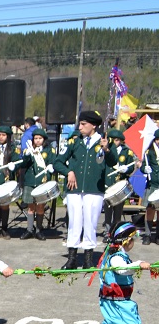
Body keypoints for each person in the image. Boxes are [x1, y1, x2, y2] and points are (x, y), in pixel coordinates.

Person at [54, 110, 114, 269]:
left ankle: (88, 259)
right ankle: (72, 258)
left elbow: (113, 162)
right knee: (74, 223)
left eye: (83, 124)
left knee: (90, 223)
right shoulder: (75, 142)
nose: (79, 127)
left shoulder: (104, 141)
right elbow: (58, 162)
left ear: (93, 125)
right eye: (79, 123)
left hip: (94, 189)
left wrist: (107, 149)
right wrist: (69, 172)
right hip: (74, 189)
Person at [96, 222, 151, 324]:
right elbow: (121, 269)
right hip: (115, 299)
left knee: (122, 322)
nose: (134, 242)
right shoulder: (116, 257)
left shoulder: (119, 254)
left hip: (120, 298)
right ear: (126, 241)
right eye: (133, 239)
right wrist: (138, 264)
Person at [18, 128, 55, 241]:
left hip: (42, 182)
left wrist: (51, 166)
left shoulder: (49, 151)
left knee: (40, 207)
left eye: (40, 138)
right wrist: (27, 156)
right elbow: (23, 165)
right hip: (30, 181)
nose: (37, 140)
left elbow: (52, 162)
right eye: (35, 138)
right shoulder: (28, 150)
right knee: (30, 207)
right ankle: (29, 229)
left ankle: (39, 230)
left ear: (44, 139)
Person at [0, 125, 22, 239]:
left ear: (8, 136)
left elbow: (18, 161)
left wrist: (14, 166)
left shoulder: (12, 148)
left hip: (7, 179)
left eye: (3, 135)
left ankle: (5, 229)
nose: (1, 137)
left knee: (5, 205)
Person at [102, 130, 136, 239]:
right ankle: (107, 232)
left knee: (118, 211)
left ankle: (116, 231)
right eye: (112, 140)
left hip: (120, 184)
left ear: (121, 141)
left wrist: (126, 169)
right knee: (108, 210)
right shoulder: (107, 150)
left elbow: (131, 167)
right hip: (109, 183)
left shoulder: (126, 152)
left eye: (117, 140)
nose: (114, 142)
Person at [144, 129, 159, 245]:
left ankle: (158, 235)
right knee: (150, 209)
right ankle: (148, 235)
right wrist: (144, 168)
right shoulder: (149, 152)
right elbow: (143, 165)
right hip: (152, 184)